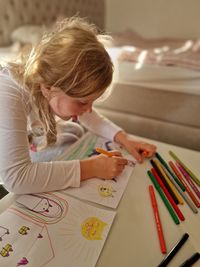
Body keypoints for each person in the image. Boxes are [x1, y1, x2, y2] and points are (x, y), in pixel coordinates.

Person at [0, 17, 156, 194]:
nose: (88, 109)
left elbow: (88, 115)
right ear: (48, 87)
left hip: (28, 141)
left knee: (75, 133)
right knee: (72, 137)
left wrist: (124, 139)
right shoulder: (9, 95)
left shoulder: (47, 83)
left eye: (91, 102)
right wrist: (91, 168)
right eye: (82, 101)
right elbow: (16, 179)